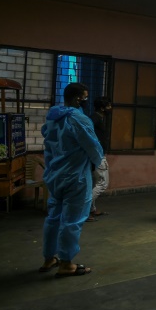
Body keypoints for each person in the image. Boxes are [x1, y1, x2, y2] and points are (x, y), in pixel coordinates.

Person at [39, 82, 103, 277]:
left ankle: (49, 258)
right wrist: (98, 162)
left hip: (54, 174)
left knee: (53, 218)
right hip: (75, 176)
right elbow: (92, 147)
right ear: (77, 98)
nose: (86, 101)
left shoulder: (53, 117)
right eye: (85, 97)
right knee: (72, 221)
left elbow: (48, 145)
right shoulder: (78, 119)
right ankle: (66, 263)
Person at [88, 96, 111, 220]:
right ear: (102, 108)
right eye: (108, 106)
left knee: (94, 183)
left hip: (96, 155)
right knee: (102, 184)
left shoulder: (97, 118)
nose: (110, 108)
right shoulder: (94, 119)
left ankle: (91, 209)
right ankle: (85, 210)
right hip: (97, 156)